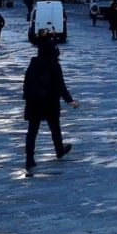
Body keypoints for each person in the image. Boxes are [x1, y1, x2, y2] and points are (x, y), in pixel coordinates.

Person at [22, 33, 78, 174]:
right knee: (54, 127)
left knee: (32, 131)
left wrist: (28, 97)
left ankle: (29, 158)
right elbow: (60, 85)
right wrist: (70, 100)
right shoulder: (54, 64)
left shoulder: (33, 63)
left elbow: (26, 82)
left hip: (34, 101)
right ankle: (59, 150)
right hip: (50, 101)